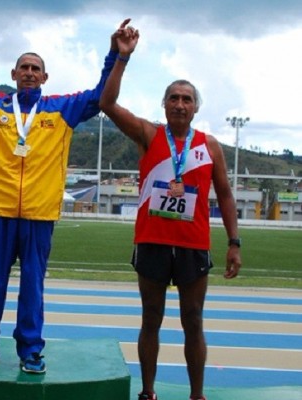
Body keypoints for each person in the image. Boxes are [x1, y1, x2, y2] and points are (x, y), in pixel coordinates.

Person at [0, 3, 130, 374]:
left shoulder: (62, 109)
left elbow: (99, 96)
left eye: (35, 69)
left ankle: (30, 349)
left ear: (45, 77)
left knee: (33, 287)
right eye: (23, 67)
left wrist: (116, 56)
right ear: (13, 74)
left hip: (39, 214)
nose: (29, 73)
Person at [99, 23, 242, 400]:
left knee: (193, 321)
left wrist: (234, 242)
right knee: (151, 320)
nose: (180, 104)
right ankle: (148, 393)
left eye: (187, 99)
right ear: (164, 105)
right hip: (152, 242)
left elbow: (225, 195)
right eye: (174, 98)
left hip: (194, 246)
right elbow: (107, 104)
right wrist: (121, 58)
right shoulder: (149, 134)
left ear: (196, 107)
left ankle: (197, 395)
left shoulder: (209, 146)